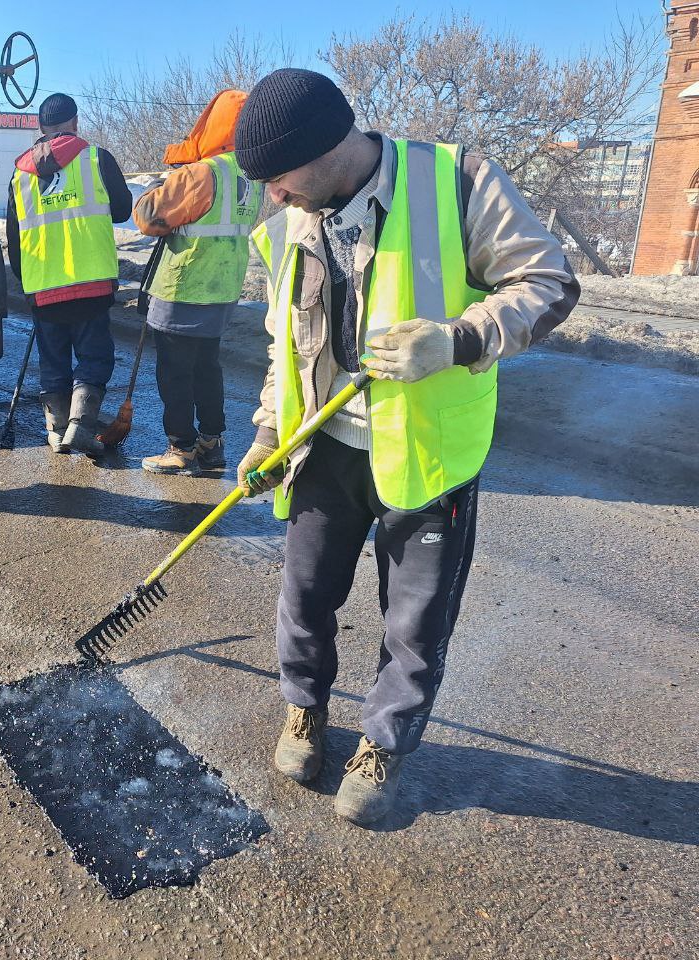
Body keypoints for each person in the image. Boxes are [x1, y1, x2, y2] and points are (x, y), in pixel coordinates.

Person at [233, 69, 579, 824]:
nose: (273, 197)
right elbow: (284, 342)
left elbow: (550, 281)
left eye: (279, 178)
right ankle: (304, 709)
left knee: (415, 624)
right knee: (304, 598)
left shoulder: (457, 183)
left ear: (328, 148)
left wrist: (458, 340)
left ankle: (382, 745)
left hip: (428, 455)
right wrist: (267, 432)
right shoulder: (293, 219)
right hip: (323, 446)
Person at [133, 90, 263, 476]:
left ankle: (180, 447)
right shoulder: (252, 175)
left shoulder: (201, 173)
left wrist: (162, 185)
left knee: (174, 372)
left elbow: (149, 217)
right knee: (207, 367)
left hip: (183, 285)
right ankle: (212, 443)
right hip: (222, 286)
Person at [5, 93, 132, 457]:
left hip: (44, 286)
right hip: (91, 283)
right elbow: (122, 210)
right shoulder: (96, 159)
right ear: (75, 123)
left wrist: (28, 281)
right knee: (94, 356)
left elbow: (14, 236)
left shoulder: (20, 174)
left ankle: (57, 429)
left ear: (41, 127)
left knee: (53, 360)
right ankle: (81, 425)